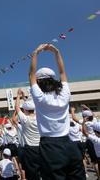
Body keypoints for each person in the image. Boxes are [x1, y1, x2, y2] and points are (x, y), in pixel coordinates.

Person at [29, 43, 85, 179]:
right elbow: (62, 72)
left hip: (50, 147)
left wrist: (36, 52)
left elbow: (31, 74)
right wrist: (56, 52)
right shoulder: (64, 94)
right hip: (69, 144)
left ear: (39, 81)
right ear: (53, 80)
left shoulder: (39, 97)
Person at [12, 88, 41, 180]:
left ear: (25, 110)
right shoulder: (40, 117)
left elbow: (17, 108)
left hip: (30, 149)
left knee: (32, 172)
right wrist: (24, 98)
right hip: (41, 147)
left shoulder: (25, 120)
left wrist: (18, 96)